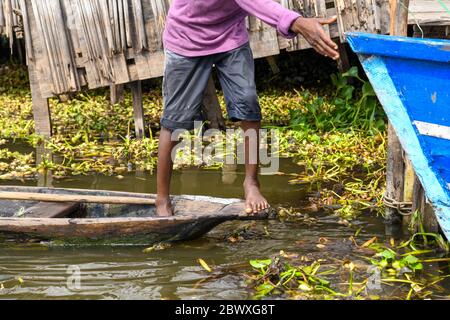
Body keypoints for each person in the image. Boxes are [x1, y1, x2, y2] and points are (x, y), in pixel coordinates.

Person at [156, 0, 339, 216]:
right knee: (174, 120)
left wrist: (296, 21)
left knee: (248, 102)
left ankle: (251, 183)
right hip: (186, 38)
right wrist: (296, 22)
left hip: (230, 36)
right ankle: (162, 198)